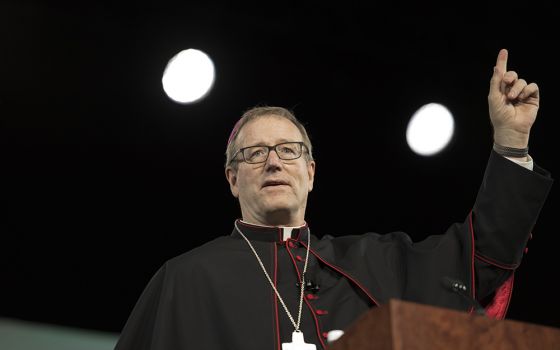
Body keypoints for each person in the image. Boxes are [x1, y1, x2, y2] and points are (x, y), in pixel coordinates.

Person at [114, 49, 553, 350]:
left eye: (289, 151)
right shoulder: (184, 279)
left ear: (311, 172)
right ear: (232, 179)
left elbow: (482, 258)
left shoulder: (377, 263)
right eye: (255, 153)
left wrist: (511, 144)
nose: (273, 163)